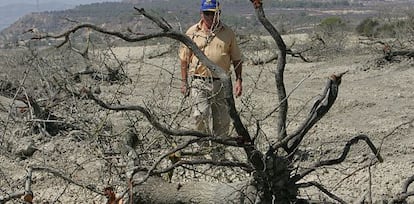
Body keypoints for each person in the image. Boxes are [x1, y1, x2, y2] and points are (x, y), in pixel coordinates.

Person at [179, 0, 243, 141]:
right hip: (199, 81)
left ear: (218, 14)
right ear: (201, 14)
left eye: (213, 14)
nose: (210, 17)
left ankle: (219, 154)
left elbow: (237, 59)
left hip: (222, 83)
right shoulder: (192, 32)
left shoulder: (228, 33)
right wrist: (184, 82)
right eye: (206, 13)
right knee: (200, 115)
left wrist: (239, 80)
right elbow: (184, 59)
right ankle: (203, 149)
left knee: (222, 121)